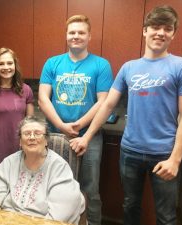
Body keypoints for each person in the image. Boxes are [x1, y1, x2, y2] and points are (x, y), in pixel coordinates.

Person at [70, 5, 182, 225]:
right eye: (155, 27)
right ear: (145, 31)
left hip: (164, 153)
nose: (160, 32)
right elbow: (108, 104)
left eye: (167, 28)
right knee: (130, 206)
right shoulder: (130, 67)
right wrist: (87, 136)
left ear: (173, 33)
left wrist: (175, 160)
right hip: (130, 151)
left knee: (166, 215)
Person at [38, 15, 113, 225]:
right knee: (55, 185)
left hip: (90, 137)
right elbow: (43, 99)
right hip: (54, 135)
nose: (76, 36)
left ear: (89, 36)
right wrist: (62, 126)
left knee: (90, 189)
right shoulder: (52, 63)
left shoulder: (101, 65)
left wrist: (79, 125)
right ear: (66, 35)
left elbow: (103, 101)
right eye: (72, 32)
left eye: (81, 32)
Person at [0, 116, 85, 224]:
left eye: (38, 133)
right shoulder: (9, 162)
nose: (32, 137)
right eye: (26, 133)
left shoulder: (59, 167)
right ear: (20, 141)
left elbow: (59, 215)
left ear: (46, 140)